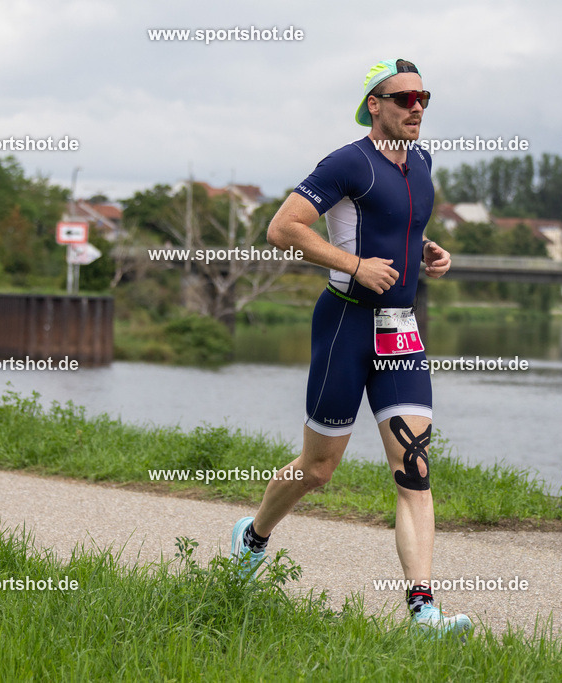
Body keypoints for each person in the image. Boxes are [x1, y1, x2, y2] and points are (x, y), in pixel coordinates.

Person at [231, 58, 471, 636]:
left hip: (401, 329)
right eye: (404, 98)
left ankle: (423, 612)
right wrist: (355, 265)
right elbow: (284, 228)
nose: (417, 108)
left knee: (414, 467)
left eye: (424, 98)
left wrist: (430, 251)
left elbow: (400, 224)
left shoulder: (423, 162)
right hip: (345, 322)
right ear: (375, 106)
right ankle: (254, 535)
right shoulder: (347, 162)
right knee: (318, 468)